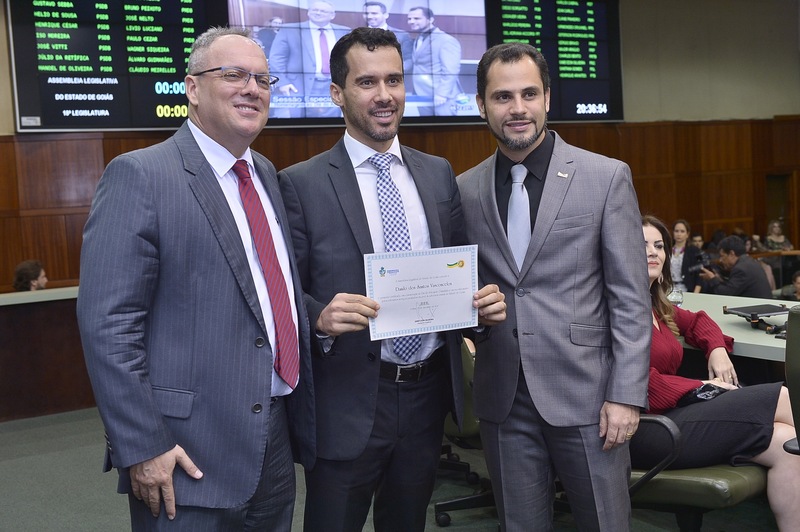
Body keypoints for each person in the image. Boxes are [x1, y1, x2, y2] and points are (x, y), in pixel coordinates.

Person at [76, 27, 315, 530]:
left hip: (273, 438)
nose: (252, 88)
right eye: (233, 75)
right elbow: (109, 326)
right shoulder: (140, 175)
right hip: (182, 453)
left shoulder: (266, 174)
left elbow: (268, 297)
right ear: (192, 88)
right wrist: (144, 444)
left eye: (263, 79)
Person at [278, 28, 506, 532]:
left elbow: (458, 274)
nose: (384, 95)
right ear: (337, 93)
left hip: (426, 398)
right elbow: (283, 291)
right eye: (367, 82)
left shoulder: (437, 173)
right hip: (348, 399)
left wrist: (479, 308)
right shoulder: (300, 182)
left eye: (394, 80)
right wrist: (319, 317)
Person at [456, 42, 651, 530]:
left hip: (590, 396)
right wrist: (472, 315)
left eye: (528, 94)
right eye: (502, 97)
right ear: (481, 105)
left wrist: (626, 394)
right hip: (504, 399)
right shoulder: (464, 189)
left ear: (547, 97)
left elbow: (630, 298)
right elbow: (464, 290)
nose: (517, 108)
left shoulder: (605, 177)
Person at [634, 215, 800, 531]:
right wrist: (702, 385)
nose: (653, 252)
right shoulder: (617, 307)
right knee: (782, 397)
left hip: (675, 415)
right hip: (647, 428)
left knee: (788, 444)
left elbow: (698, 320)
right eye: (642, 245)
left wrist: (716, 349)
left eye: (659, 245)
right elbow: (639, 381)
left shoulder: (655, 305)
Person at [268, 0, 351, 118]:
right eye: (315, 10)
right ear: (308, 12)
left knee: (334, 123)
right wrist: (283, 82)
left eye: (323, 11)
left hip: (335, 85)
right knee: (300, 124)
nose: (318, 13)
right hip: (298, 86)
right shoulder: (290, 29)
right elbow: (276, 58)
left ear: (332, 15)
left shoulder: (344, 31)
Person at [406, 6, 462, 116]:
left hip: (441, 96)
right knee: (426, 126)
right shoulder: (418, 38)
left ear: (430, 19)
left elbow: (450, 70)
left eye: (417, 18)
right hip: (421, 93)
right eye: (409, 19)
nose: (411, 21)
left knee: (446, 126)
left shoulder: (446, 40)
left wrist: (442, 94)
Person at [698, 235, 773, 298]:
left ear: (731, 254)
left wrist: (712, 279)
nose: (720, 260)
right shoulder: (749, 261)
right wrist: (718, 278)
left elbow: (725, 294)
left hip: (756, 308)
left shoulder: (741, 269)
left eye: (722, 256)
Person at [362, 1, 412, 70]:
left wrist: (394, 72)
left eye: (374, 13)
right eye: (366, 13)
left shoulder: (402, 35)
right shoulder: (356, 35)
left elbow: (408, 60)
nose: (369, 16)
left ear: (386, 15)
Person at [671, 218, 703, 292]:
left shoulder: (695, 250)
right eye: (676, 231)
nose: (679, 234)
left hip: (687, 288)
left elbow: (700, 274)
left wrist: (695, 294)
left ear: (687, 234)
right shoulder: (667, 249)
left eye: (682, 231)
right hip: (669, 287)